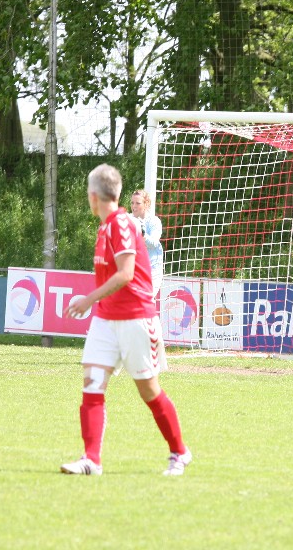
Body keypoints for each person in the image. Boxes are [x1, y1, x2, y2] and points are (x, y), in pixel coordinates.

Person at [60, 165, 191, 477]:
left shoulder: (120, 224)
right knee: (92, 384)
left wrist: (87, 300)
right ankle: (91, 459)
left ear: (94, 196)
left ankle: (179, 452)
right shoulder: (106, 227)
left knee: (149, 391)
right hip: (106, 319)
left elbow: (126, 274)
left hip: (136, 318)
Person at [130, 189, 164, 298]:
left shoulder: (154, 222)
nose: (134, 206)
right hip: (133, 270)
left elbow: (153, 243)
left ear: (146, 204)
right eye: (132, 203)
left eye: (138, 203)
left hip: (152, 271)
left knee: (144, 301)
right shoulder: (129, 219)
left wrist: (142, 233)